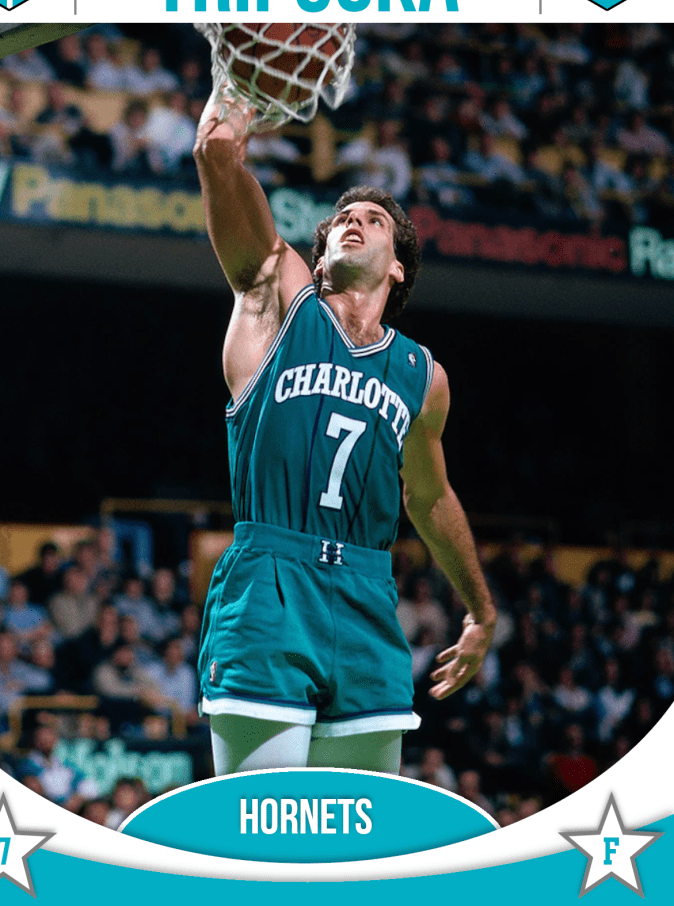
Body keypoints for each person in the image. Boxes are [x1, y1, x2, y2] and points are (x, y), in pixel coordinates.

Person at [192, 80, 496, 776]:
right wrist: (233, 88)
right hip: (270, 577)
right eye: (341, 219)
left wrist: (480, 610)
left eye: (373, 219)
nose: (353, 222)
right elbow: (215, 158)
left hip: (366, 590)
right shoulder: (278, 297)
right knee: (261, 823)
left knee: (358, 832)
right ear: (321, 249)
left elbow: (430, 497)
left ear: (398, 266)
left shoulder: (423, 375)